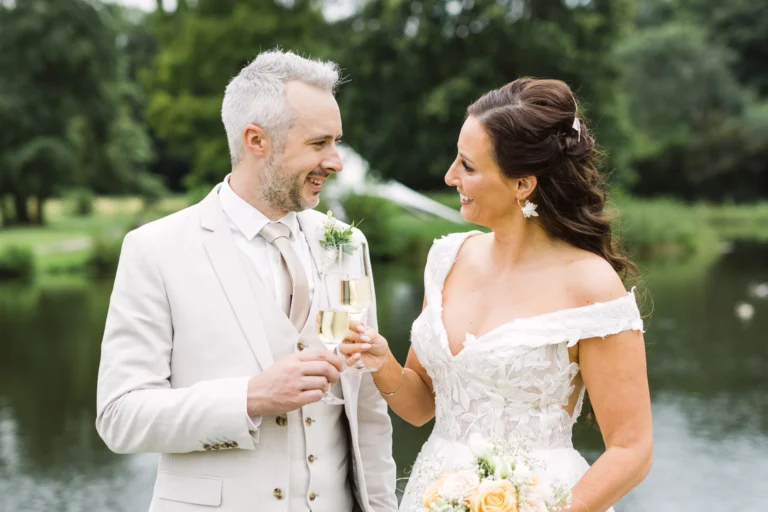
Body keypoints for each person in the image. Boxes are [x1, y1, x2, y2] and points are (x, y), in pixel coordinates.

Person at [95, 49, 398, 512]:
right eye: (319, 144)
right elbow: (120, 417)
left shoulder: (347, 245)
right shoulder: (155, 250)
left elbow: (368, 409)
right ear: (256, 140)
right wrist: (249, 398)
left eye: (336, 142)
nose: (335, 162)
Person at [341, 78, 653, 512]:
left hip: (545, 501)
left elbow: (631, 450)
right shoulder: (447, 258)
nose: (451, 176)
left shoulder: (591, 285)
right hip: (433, 495)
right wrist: (382, 362)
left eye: (468, 166)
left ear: (522, 184)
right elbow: (421, 407)